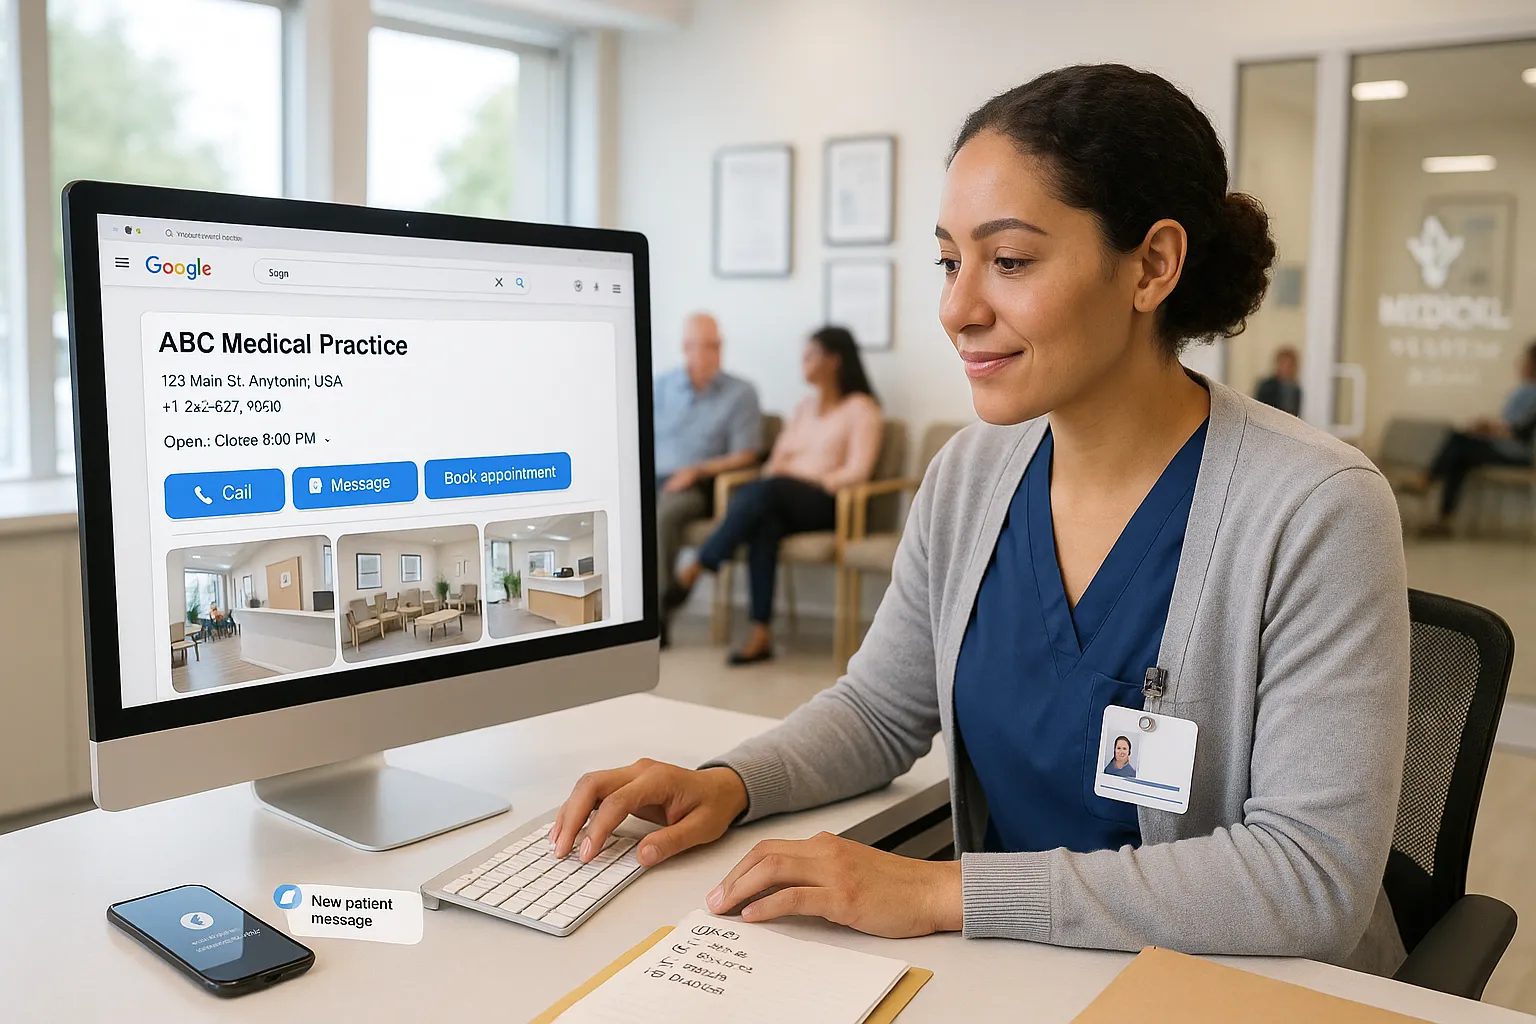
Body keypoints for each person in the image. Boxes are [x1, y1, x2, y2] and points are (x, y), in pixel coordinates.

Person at [552, 65, 1409, 974]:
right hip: (1020, 966)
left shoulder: (1316, 507)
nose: (958, 309)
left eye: (1008, 261)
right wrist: (727, 782)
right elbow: (880, 710)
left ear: (1152, 265)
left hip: (1222, 985)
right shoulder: (970, 474)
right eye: (949, 261)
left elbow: (1310, 880)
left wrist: (937, 892)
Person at [664, 327, 882, 665]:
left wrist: (811, 479)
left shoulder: (861, 409)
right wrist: (782, 480)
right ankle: (760, 634)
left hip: (828, 501)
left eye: (810, 355)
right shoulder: (804, 407)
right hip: (782, 497)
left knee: (765, 492)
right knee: (762, 521)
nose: (803, 362)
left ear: (834, 361)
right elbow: (776, 462)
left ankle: (701, 564)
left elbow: (858, 471)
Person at [652, 313, 763, 644]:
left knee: (664, 516)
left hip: (701, 485)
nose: (713, 352)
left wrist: (697, 471)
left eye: (717, 345)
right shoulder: (661, 387)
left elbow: (748, 456)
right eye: (705, 346)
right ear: (686, 348)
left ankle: (656, 615)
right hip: (655, 478)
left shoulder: (740, 393)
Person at [1413, 341, 1536, 536]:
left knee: (1458, 443)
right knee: (1459, 455)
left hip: (1519, 455)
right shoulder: (1524, 391)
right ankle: (1443, 518)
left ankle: (1427, 481)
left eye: (1527, 360)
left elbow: (1520, 431)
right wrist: (1487, 428)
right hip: (1505, 447)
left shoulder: (1531, 394)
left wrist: (1490, 428)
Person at [1254, 346, 1301, 416]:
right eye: (1283, 363)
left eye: (1289, 365)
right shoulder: (1267, 386)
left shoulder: (1296, 389)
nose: (1285, 368)